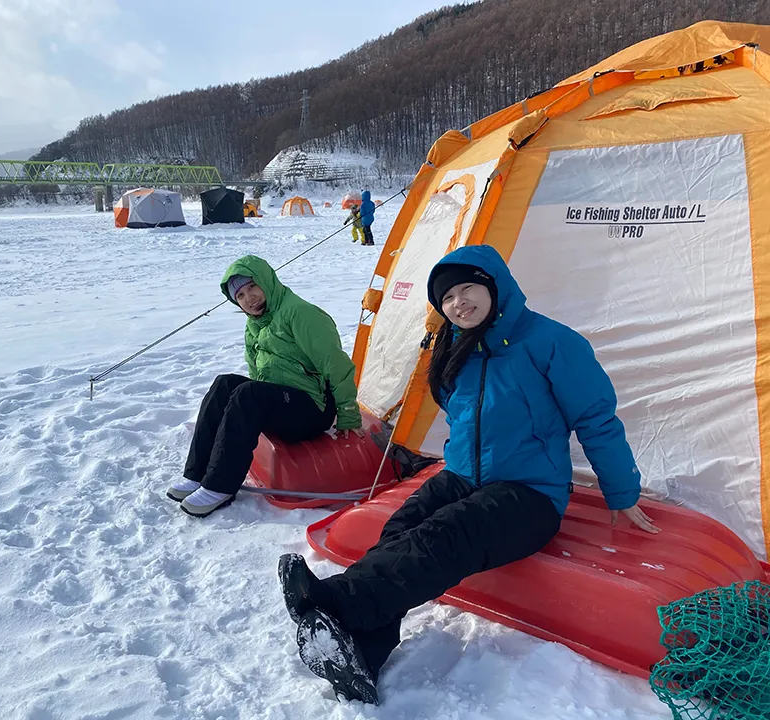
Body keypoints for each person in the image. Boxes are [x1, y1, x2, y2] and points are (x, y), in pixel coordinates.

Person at [277, 244, 659, 704]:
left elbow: (596, 419)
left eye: (467, 288)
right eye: (447, 297)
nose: (459, 302)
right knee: (400, 528)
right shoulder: (455, 347)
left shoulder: (552, 342)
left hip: (530, 492)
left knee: (446, 533)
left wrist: (621, 491)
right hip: (461, 475)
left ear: (495, 286)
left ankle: (336, 603)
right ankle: (365, 651)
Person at [168, 254, 365, 517]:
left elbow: (336, 365)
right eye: (240, 295)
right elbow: (256, 369)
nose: (249, 298)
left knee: (248, 393)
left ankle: (220, 486)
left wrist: (349, 415)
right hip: (283, 401)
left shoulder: (300, 313)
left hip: (314, 407)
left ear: (267, 281)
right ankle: (197, 473)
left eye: (253, 287)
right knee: (224, 384)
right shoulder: (255, 324)